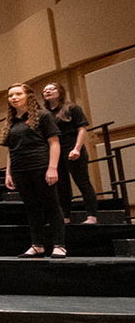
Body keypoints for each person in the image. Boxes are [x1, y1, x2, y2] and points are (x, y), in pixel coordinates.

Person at [4, 83, 67, 258]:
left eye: (18, 94)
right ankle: (37, 245)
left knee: (51, 205)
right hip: (19, 169)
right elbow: (10, 149)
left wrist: (52, 168)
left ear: (28, 96)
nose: (14, 98)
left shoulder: (43, 115)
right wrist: (8, 173)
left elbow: (54, 143)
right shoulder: (11, 121)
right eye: (11, 96)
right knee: (31, 207)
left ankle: (59, 245)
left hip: (40, 166)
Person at [43, 82, 99, 225]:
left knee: (82, 182)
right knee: (62, 185)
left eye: (52, 88)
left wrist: (77, 148)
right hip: (56, 152)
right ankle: (65, 216)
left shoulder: (72, 108)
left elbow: (82, 129)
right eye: (45, 90)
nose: (48, 91)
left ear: (60, 91)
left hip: (72, 148)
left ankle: (92, 216)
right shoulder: (45, 113)